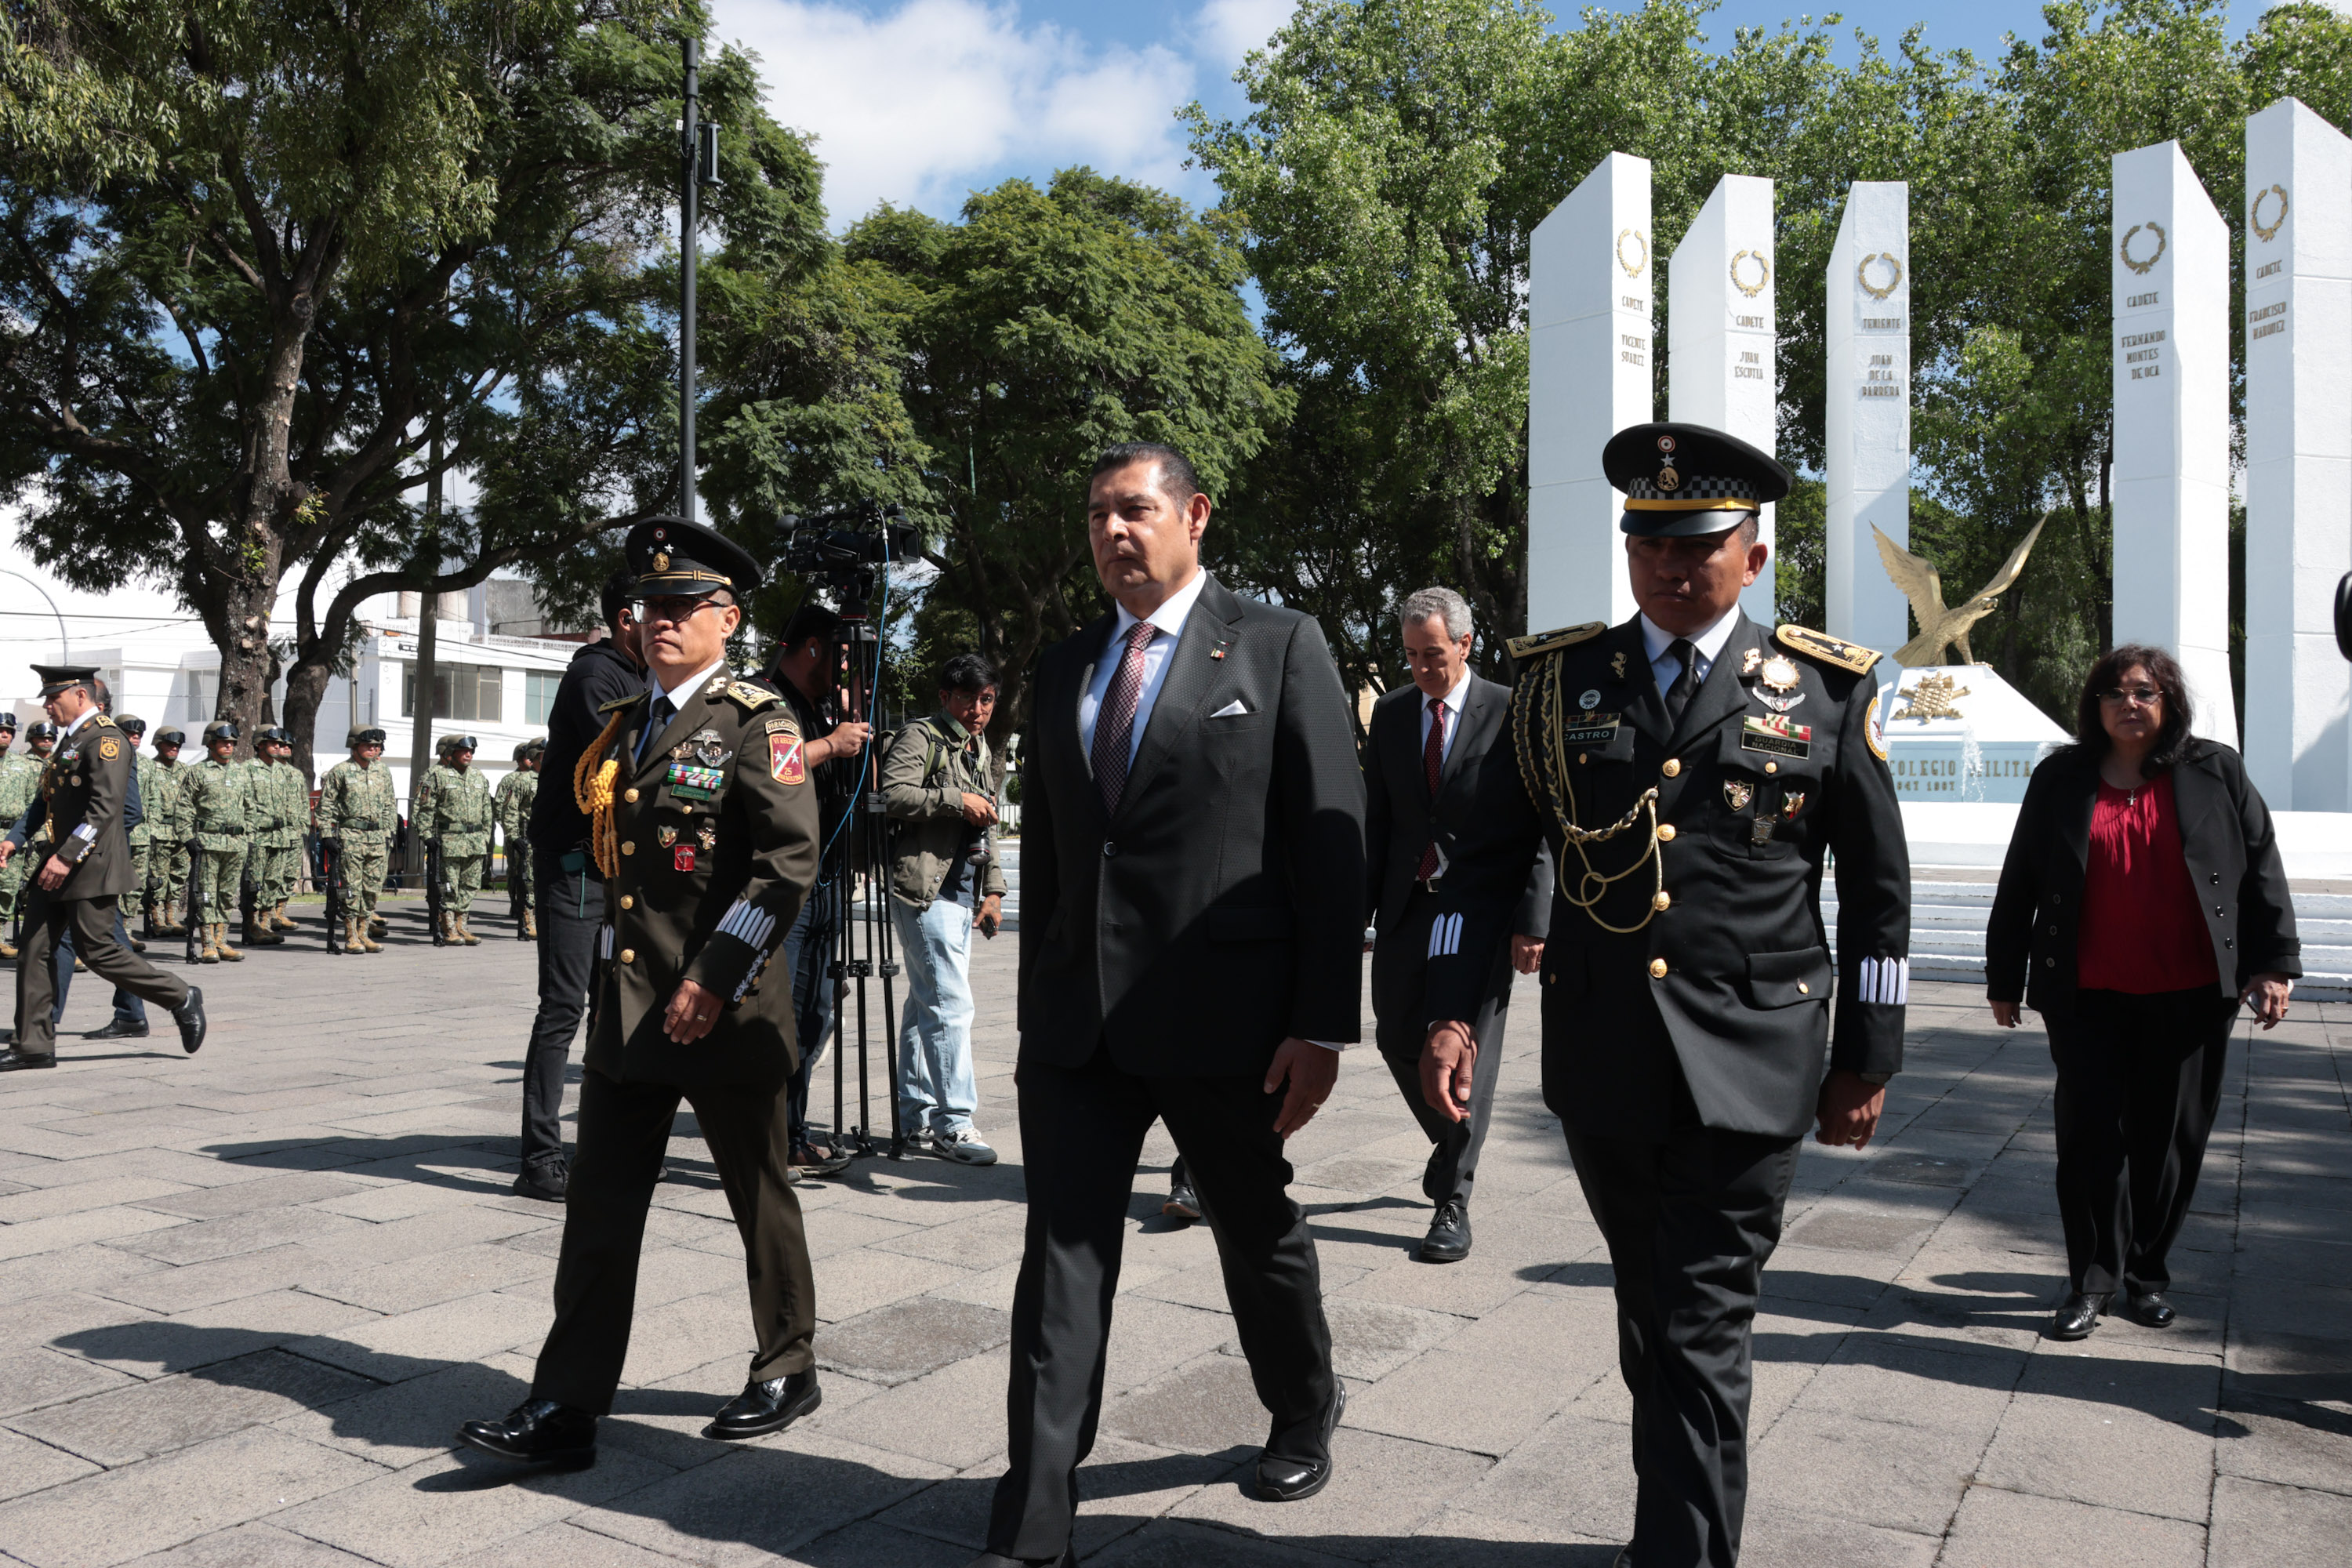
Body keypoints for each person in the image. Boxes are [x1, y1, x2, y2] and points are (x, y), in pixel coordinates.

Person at [1422, 423, 1911, 1568]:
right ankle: (1679, 1519)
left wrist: (1869, 1055)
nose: (1671, 567)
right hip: (1606, 1061)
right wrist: (1452, 1009)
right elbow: (1484, 860)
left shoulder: (1824, 689)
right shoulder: (1556, 684)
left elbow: (1879, 893)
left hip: (1756, 1054)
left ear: (1753, 554)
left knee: (1700, 1322)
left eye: (1700, 545)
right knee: (1654, 1319)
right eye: (1649, 543)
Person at [976, 441, 1364, 1568]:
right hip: (1076, 1029)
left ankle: (1303, 1401)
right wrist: (1038, 1007)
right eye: (1096, 513)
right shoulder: (1061, 670)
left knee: (1256, 1227)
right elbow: (1049, 857)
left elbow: (1329, 849)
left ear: (1195, 515)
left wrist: (1322, 1023)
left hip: (1224, 1019)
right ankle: (1038, 1504)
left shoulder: (1280, 645)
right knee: (1063, 1253)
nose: (1111, 531)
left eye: (1133, 509)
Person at [459, 517, 825, 1467]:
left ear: (728, 618)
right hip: (632, 1006)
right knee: (600, 1207)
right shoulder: (629, 721)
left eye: (678, 605)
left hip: (727, 1003)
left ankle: (788, 1362)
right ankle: (567, 1404)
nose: (654, 619)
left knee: (757, 1190)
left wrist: (710, 976)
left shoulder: (758, 720)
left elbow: (786, 867)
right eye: (644, 605)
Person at [1986, 644, 2297, 1341]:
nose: (2131, 703)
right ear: (2095, 706)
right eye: (2116, 693)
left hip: (2188, 994)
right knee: (2090, 1140)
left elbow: (2261, 869)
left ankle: (2146, 1274)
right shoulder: (2060, 777)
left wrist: (2272, 964)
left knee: (2171, 1142)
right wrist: (2004, 976)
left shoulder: (2215, 770)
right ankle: (2090, 1281)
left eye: (2145, 692)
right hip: (2086, 994)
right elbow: (2022, 878)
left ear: (2168, 704)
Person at [1363, 586, 1552, 1264]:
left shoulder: (1509, 710)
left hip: (1483, 913)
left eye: (1434, 655)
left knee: (1470, 1052)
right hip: (1410, 907)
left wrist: (1533, 918)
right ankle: (1449, 1148)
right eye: (1411, 656)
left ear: (1466, 645)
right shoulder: (1390, 714)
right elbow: (1379, 820)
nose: (1422, 668)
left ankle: (1454, 1204)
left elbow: (1535, 824)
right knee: (1394, 1033)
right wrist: (1360, 908)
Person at [0, 665, 206, 1069]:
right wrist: (14, 839)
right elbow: (47, 801)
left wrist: (65, 856)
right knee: (34, 949)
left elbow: (105, 807)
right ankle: (34, 1044)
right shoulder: (72, 740)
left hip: (86, 864)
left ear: (79, 696)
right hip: (57, 863)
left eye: (53, 698)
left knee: (99, 951)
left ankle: (180, 995)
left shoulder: (106, 739)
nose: (46, 706)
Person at [515, 572, 647, 1203]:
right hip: (576, 865)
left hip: (617, 867)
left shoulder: (642, 678)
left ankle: (601, 1145)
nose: (671, 626)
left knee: (613, 1005)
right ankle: (540, 1157)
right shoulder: (596, 676)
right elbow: (628, 759)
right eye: (662, 613)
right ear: (627, 618)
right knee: (564, 1007)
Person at [881, 652, 1008, 1165]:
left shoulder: (975, 744)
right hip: (923, 888)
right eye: (968, 698)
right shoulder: (922, 736)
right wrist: (956, 800)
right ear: (945, 697)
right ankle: (953, 1125)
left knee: (925, 1005)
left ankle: (913, 1116)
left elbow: (990, 820)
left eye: (987, 699)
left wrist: (994, 890)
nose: (978, 710)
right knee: (950, 1006)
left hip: (959, 891)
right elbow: (891, 793)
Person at [763, 602, 873, 1174]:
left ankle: (793, 1131)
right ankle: (769, 1138)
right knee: (780, 1014)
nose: (844, 667)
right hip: (786, 884)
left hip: (827, 878)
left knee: (814, 1013)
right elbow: (770, 766)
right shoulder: (768, 698)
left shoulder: (823, 705)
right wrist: (831, 743)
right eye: (841, 655)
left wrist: (849, 720)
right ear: (811, 648)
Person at [318, 728, 397, 955]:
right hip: (351, 836)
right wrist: (326, 834)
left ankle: (364, 933)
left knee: (372, 888)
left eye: (377, 747)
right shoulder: (341, 771)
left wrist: (390, 831)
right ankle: (351, 935)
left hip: (378, 837)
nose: (374, 750)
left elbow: (390, 803)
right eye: (369, 746)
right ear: (354, 747)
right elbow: (326, 806)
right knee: (351, 889)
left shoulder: (382, 771)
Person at [183, 720, 255, 964]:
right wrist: (188, 838)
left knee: (227, 894)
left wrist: (250, 836)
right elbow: (183, 807)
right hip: (208, 842)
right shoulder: (198, 772)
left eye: (232, 743)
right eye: (224, 742)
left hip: (236, 844)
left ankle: (222, 941)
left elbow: (252, 807)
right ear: (211, 744)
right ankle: (207, 944)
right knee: (206, 894)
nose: (228, 746)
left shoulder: (242, 772)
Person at [419, 735, 494, 945]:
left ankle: (462, 926)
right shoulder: (437, 775)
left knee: (470, 886)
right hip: (450, 841)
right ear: (451, 753)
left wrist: (485, 835)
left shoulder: (478, 776)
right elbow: (424, 809)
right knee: (449, 886)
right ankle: (449, 927)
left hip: (475, 841)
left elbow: (487, 809)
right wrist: (427, 836)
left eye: (471, 751)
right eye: (464, 751)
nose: (469, 754)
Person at [243, 727, 304, 946]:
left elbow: (294, 804)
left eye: (280, 743)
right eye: (273, 743)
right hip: (259, 836)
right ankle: (251, 927)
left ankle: (266, 924)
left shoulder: (283, 772)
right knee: (255, 884)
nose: (278, 746)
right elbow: (244, 803)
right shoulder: (247, 769)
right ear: (260, 745)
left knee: (272, 882)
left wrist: (298, 828)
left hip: (280, 836)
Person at [146, 728, 193, 937]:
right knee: (158, 876)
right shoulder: (150, 768)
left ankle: (171, 915)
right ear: (159, 745)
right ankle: (157, 918)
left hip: (181, 831)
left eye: (177, 746)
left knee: (178, 875)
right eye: (170, 745)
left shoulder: (185, 771)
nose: (174, 749)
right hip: (160, 830)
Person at [0, 713, 39, 960]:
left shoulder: (23, 765)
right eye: (1, 730)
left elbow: (32, 805)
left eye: (9, 731)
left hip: (13, 835)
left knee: (7, 889)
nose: (5, 734)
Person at [496, 740, 543, 939]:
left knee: (541, 881)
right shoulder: (519, 781)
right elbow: (506, 810)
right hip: (525, 837)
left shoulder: (551, 778)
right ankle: (525, 916)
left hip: (545, 839)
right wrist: (513, 836)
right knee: (524, 878)